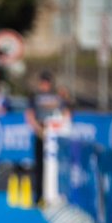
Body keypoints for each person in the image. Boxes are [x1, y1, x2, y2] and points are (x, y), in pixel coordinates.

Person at [24, 71, 66, 205]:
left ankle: (54, 195)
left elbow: (66, 112)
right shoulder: (35, 97)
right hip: (40, 133)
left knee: (54, 166)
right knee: (39, 166)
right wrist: (38, 128)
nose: (44, 85)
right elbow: (29, 114)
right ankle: (39, 195)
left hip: (54, 136)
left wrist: (58, 127)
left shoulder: (57, 96)